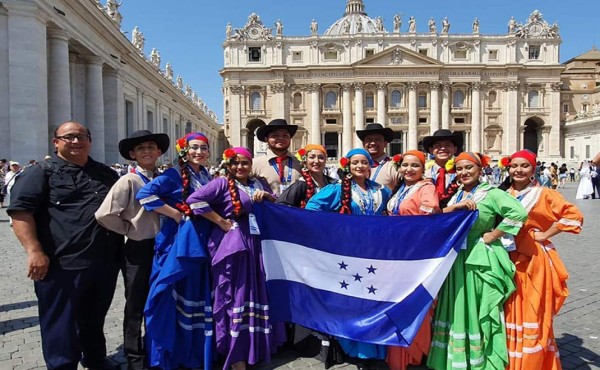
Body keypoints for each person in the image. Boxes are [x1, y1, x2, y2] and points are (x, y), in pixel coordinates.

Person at [8, 121, 123, 370]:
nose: (76, 141)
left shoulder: (106, 173)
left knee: (94, 317)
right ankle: (62, 366)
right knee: (60, 322)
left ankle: (95, 358)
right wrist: (34, 251)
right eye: (69, 136)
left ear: (90, 140)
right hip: (60, 264)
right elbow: (20, 213)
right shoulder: (39, 173)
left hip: (103, 262)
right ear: (56, 142)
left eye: (82, 136)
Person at [186, 147, 286, 370]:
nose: (240, 167)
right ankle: (235, 355)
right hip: (233, 244)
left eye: (244, 163)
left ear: (251, 164)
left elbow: (274, 206)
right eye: (235, 163)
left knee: (255, 292)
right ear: (228, 165)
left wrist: (268, 197)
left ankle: (255, 348)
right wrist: (220, 221)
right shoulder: (221, 183)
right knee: (234, 294)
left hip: (256, 243)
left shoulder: (258, 183)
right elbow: (194, 201)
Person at [427, 152, 528, 370]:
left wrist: (493, 235)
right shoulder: (456, 196)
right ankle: (455, 359)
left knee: (476, 304)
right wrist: (454, 208)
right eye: (460, 169)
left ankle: (478, 360)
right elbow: (440, 218)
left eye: (469, 168)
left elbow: (518, 213)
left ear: (480, 170)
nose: (463, 173)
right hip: (456, 258)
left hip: (477, 257)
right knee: (457, 305)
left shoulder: (490, 193)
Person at [306, 148, 391, 367]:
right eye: (355, 163)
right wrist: (335, 230)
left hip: (375, 251)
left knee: (373, 298)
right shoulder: (338, 189)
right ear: (348, 166)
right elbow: (313, 207)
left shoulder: (381, 190)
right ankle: (353, 346)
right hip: (349, 251)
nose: (360, 166)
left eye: (364, 162)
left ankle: (375, 345)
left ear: (370, 165)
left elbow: (389, 214)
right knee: (352, 298)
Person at [498, 150, 583, 370]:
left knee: (532, 308)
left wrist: (545, 234)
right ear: (508, 168)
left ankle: (531, 362)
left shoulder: (545, 194)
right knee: (508, 308)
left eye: (524, 166)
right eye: (514, 166)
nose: (519, 170)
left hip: (534, 259)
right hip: (507, 258)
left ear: (533, 169)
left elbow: (573, 215)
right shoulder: (502, 193)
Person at [135, 132, 214, 369]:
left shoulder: (205, 175)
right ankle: (170, 354)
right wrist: (176, 214)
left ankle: (193, 351)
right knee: (173, 294)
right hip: (177, 243)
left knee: (196, 294)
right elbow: (145, 195)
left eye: (203, 148)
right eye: (194, 148)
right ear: (184, 151)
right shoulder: (174, 174)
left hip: (200, 241)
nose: (199, 152)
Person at [94, 130, 169, 370]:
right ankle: (134, 356)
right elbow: (104, 214)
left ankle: (154, 348)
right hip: (139, 246)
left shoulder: (161, 178)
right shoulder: (128, 180)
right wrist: (129, 229)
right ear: (132, 154)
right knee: (135, 303)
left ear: (159, 152)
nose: (147, 151)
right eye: (141, 148)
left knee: (157, 299)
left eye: (151, 147)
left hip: (162, 247)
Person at [386, 150, 440, 370]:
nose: (409, 169)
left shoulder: (426, 187)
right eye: (405, 165)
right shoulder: (402, 188)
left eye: (415, 165)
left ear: (422, 168)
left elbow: (432, 212)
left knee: (414, 301)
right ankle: (400, 351)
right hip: (397, 252)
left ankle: (414, 351)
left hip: (415, 253)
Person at [252, 119, 302, 195]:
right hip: (268, 206)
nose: (281, 138)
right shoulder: (255, 164)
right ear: (266, 139)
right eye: (275, 135)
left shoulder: (299, 163)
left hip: (294, 206)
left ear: (290, 139)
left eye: (285, 135)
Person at [423, 129, 463, 208]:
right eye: (438, 145)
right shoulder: (424, 174)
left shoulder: (461, 174)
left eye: (448, 145)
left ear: (455, 149)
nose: (443, 148)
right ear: (431, 150)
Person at [356, 123, 401, 190]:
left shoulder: (394, 167)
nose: (373, 143)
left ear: (385, 144)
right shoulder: (356, 167)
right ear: (363, 144)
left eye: (378, 139)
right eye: (369, 140)